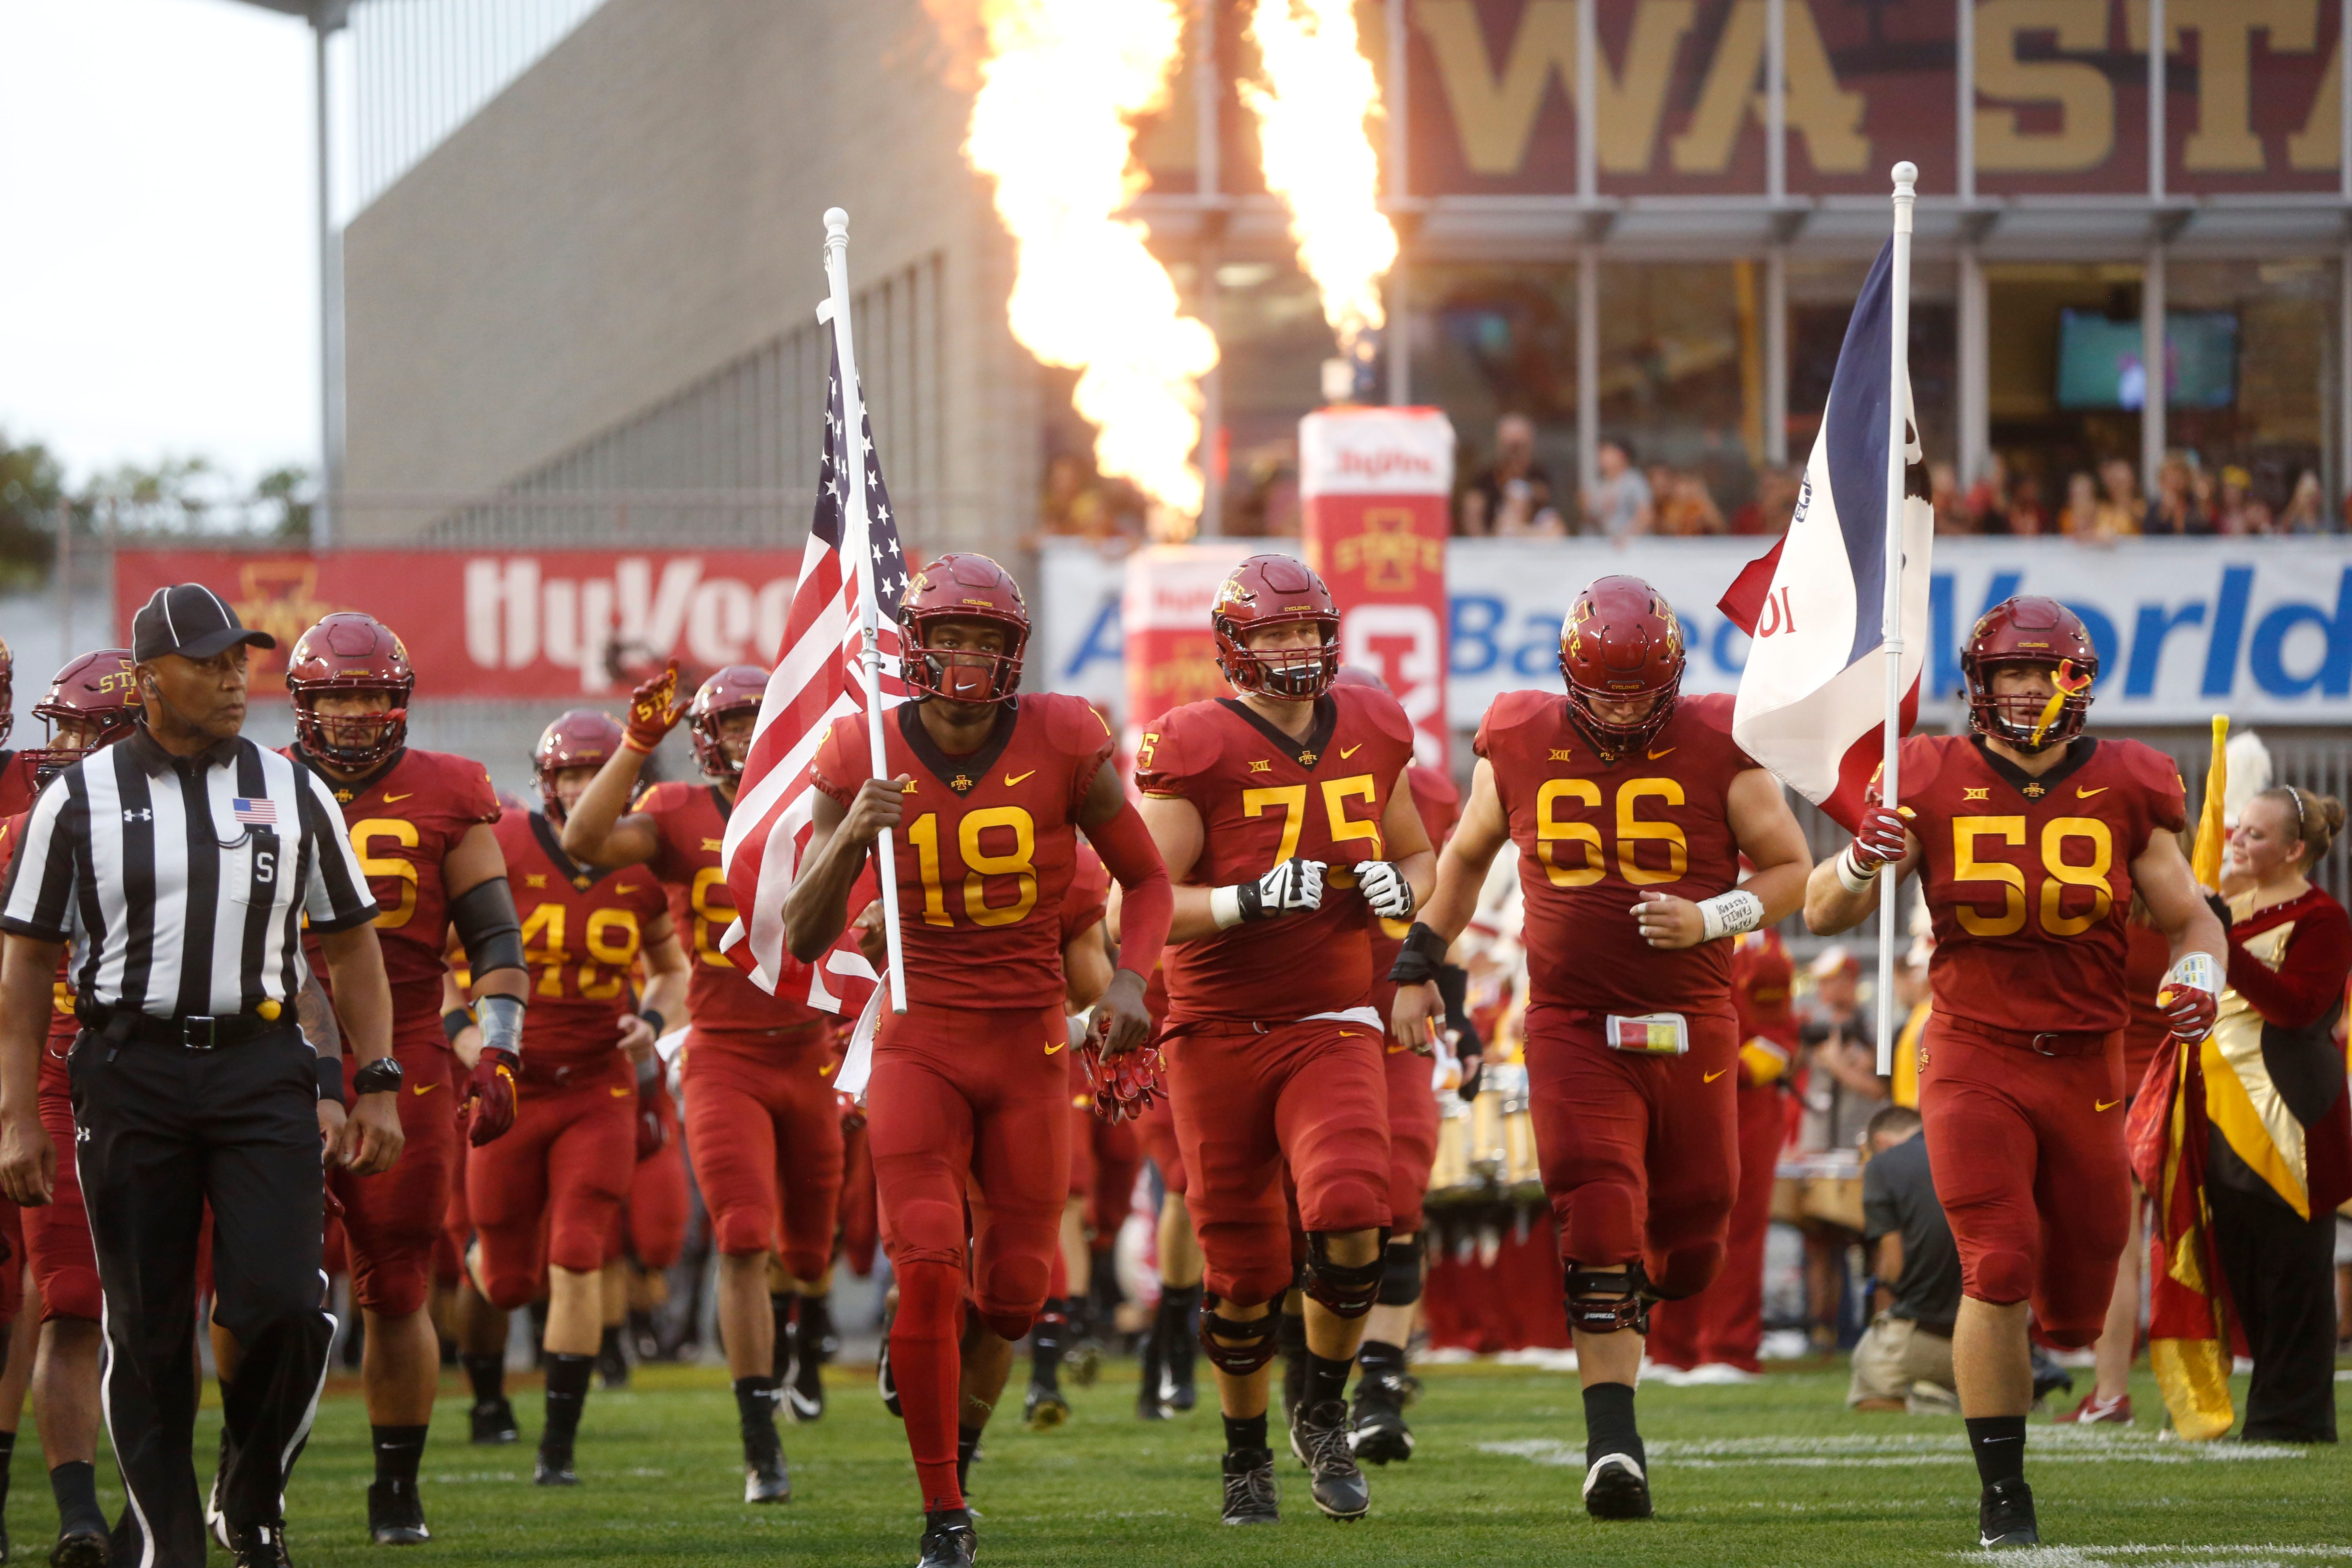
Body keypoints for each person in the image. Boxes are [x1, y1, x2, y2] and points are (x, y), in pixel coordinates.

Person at [1806, 594, 2225, 1548]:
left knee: (2074, 1306)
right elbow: (1825, 912)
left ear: (2075, 683)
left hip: (2085, 1061)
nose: (2024, 686)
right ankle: (2003, 1492)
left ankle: (2046, 1365)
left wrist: (2195, 973)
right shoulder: (1923, 772)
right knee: (1994, 1264)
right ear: (1978, 684)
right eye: (2007, 672)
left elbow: (2189, 916)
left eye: (2041, 671)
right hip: (1969, 1053)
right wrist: (1857, 862)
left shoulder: (2128, 778)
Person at [1391, 575, 1813, 1520]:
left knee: (1696, 1232)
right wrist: (1415, 960)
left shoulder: (1718, 740)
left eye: (1636, 687)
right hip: (1573, 1022)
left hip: (1693, 1022)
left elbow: (1791, 867)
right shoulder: (1517, 735)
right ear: (1568, 675)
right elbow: (1462, 859)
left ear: (1668, 677)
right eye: (1604, 687)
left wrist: (1714, 912)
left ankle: (1640, 1301)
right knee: (1596, 1204)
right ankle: (1611, 1444)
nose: (1619, 706)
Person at [0, 584, 403, 1568]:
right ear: (147, 680)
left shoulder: (290, 783)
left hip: (259, 1060)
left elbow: (349, 947)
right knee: (144, 1324)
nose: (235, 679)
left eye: (240, 660)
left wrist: (377, 1077)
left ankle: (250, 1476)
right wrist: (17, 1115)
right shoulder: (77, 800)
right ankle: (171, 1545)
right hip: (127, 1067)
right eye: (212, 662)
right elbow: (23, 965)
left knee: (282, 1299)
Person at [787, 552, 1170, 1568]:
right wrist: (846, 840)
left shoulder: (1063, 735)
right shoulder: (857, 746)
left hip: (1030, 1039)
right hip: (920, 1036)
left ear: (1014, 651)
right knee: (923, 1264)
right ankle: (943, 1511)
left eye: (985, 641)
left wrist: (1129, 978)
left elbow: (1148, 876)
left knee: (1010, 1291)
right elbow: (799, 932)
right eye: (948, 638)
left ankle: (956, 1435)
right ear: (914, 646)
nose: (965, 658)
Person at [1134, 554, 1431, 1526]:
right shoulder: (1191, 743)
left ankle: (1321, 1410)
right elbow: (1135, 907)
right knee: (1244, 1267)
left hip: (1332, 1017)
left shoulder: (1373, 723)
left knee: (1355, 1206)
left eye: (1308, 628)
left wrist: (1403, 890)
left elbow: (1415, 851)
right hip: (1215, 1029)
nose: (1297, 647)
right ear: (1234, 646)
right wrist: (1240, 900)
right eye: (1275, 633)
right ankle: (1242, 1455)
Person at [558, 661, 846, 1499]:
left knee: (808, 1245)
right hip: (726, 1053)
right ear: (705, 738)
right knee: (745, 1236)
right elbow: (582, 843)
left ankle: (807, 1336)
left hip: (811, 1049)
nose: (748, 736)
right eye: (731, 723)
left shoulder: (824, 798)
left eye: (762, 719)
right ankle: (762, 1441)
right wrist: (636, 742)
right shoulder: (680, 814)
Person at [281, 611, 530, 1545]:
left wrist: (498, 1047)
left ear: (401, 702)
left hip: (413, 1047)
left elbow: (495, 939)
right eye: (337, 693)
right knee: (261, 1279)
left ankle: (395, 1487)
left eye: (372, 693)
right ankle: (251, 1468)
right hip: (273, 1049)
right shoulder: (255, 782)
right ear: (304, 701)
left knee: (396, 1279)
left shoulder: (450, 789)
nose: (353, 711)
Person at [463, 710, 687, 1489]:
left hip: (598, 1083)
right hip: (514, 1081)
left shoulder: (643, 866)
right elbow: (450, 972)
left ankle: (558, 1444)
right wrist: (477, 1049)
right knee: (506, 1275)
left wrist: (651, 1022)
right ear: (546, 782)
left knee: (580, 1256)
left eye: (600, 773)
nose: (588, 787)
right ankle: (489, 1398)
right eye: (572, 774)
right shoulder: (506, 844)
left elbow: (673, 971)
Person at [0, 650, 139, 1566]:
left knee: (165, 1307)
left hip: (165, 1083)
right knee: (65, 1297)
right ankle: (77, 1510)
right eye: (67, 730)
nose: (71, 750)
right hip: (46, 1073)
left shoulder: (223, 819)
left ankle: (177, 1503)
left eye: (92, 732)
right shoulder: (23, 828)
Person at [1328, 664, 1468, 1464]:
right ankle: (1315, 1376)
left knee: (1402, 1191)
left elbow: (1443, 910)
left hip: (1390, 1012)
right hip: (1299, 1016)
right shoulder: (1271, 777)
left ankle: (1379, 1384)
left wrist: (1457, 1002)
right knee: (1310, 1212)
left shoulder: (1431, 795)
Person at [2205, 785, 2352, 1442]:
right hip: (2223, 1110)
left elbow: (2297, 1009)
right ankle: (2269, 1405)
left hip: (2294, 1109)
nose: (2239, 840)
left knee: (2294, 1272)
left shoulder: (2324, 918)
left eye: (2256, 835)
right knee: (2242, 1267)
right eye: (2239, 829)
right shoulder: (2230, 906)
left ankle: (2292, 1419)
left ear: (2295, 850)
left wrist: (2220, 945)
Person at [1647, 924, 1798, 1381]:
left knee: (1734, 1227)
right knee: (1671, 1222)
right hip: (1680, 1094)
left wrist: (1709, 1070)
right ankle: (1672, 1348)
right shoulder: (1670, 933)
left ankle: (1728, 1348)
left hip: (1741, 1105)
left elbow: (1777, 1043)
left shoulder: (1761, 955)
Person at [1847, 1105, 1962, 1413]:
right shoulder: (1975, 1148)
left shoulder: (1883, 1166)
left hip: (1929, 1333)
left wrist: (1882, 1289)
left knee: (1867, 1385)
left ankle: (1934, 1404)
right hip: (2004, 1338)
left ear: (1882, 1142)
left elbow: (1894, 1261)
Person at [1458, 414, 1561, 537]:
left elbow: (1556, 527)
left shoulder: (1540, 475)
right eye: (1510, 448)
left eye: (1520, 447)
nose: (1515, 455)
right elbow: (1472, 509)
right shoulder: (1486, 478)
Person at [1582, 439, 1653, 540]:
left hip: (1631, 546)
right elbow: (1591, 520)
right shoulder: (1598, 484)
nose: (1601, 458)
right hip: (1605, 545)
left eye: (1607, 454)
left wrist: (1626, 537)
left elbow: (1645, 516)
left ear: (1621, 455)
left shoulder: (1634, 481)